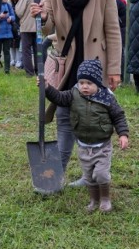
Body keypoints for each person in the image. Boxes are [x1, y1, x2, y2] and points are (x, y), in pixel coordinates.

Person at [30, 0, 122, 186]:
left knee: (92, 122)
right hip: (67, 61)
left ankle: (90, 174)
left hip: (93, 63)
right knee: (63, 116)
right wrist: (41, 14)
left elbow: (113, 29)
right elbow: (47, 23)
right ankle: (55, 174)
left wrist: (114, 69)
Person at [44, 59, 129, 212]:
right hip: (83, 146)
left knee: (101, 175)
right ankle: (93, 200)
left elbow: (118, 116)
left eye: (89, 83)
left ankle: (105, 199)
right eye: (81, 82)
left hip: (102, 146)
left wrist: (123, 134)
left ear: (97, 83)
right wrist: (47, 88)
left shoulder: (106, 98)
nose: (84, 86)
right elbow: (59, 98)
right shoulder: (74, 94)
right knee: (89, 176)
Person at [16, 0, 38, 77]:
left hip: (27, 27)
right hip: (39, 26)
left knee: (26, 50)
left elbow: (19, 11)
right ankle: (39, 70)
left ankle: (29, 72)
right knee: (39, 50)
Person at [0, 0, 16, 74]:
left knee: (7, 52)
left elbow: (13, 16)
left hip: (8, 34)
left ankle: (7, 70)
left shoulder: (8, 5)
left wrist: (10, 18)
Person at [8, 0, 22, 68]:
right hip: (11, 26)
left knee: (18, 44)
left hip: (19, 26)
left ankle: (18, 60)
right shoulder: (9, 4)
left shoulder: (20, 3)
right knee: (11, 44)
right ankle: (12, 60)